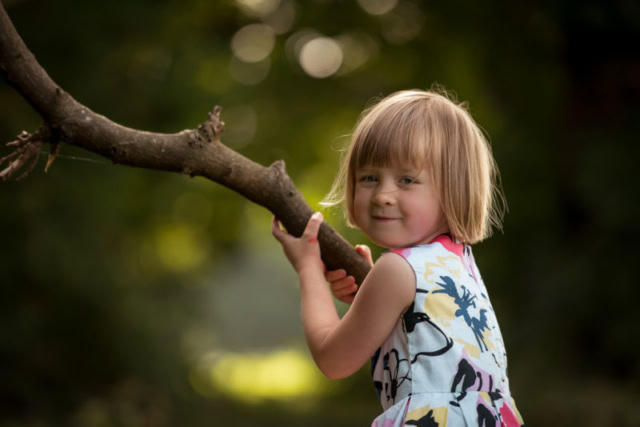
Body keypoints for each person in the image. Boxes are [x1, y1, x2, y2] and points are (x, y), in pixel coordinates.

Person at [271, 89, 524, 426]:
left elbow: (334, 359)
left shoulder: (397, 270)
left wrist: (308, 269)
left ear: (454, 189)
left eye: (407, 180)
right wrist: (369, 290)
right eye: (369, 178)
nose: (382, 196)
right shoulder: (458, 263)